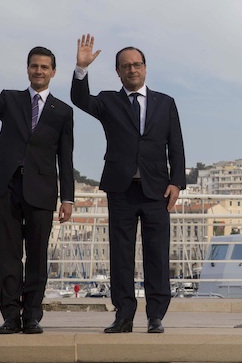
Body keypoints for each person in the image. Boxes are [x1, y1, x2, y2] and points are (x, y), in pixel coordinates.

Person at [70, 33, 186, 334]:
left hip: (157, 190)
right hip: (120, 188)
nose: (132, 70)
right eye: (126, 66)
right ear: (118, 72)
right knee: (121, 255)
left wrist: (177, 182)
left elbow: (176, 145)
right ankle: (123, 315)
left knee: (157, 254)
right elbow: (80, 99)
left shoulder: (165, 103)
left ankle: (155, 315)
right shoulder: (108, 101)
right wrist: (81, 69)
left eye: (137, 65)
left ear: (145, 68)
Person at [0, 42, 74, 334]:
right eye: (34, 66)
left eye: (44, 67)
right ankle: (10, 315)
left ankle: (32, 316)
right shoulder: (10, 100)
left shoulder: (63, 111)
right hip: (7, 184)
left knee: (38, 254)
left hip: (42, 188)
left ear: (53, 72)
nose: (38, 71)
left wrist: (68, 198)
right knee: (9, 253)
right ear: (27, 69)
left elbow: (66, 159)